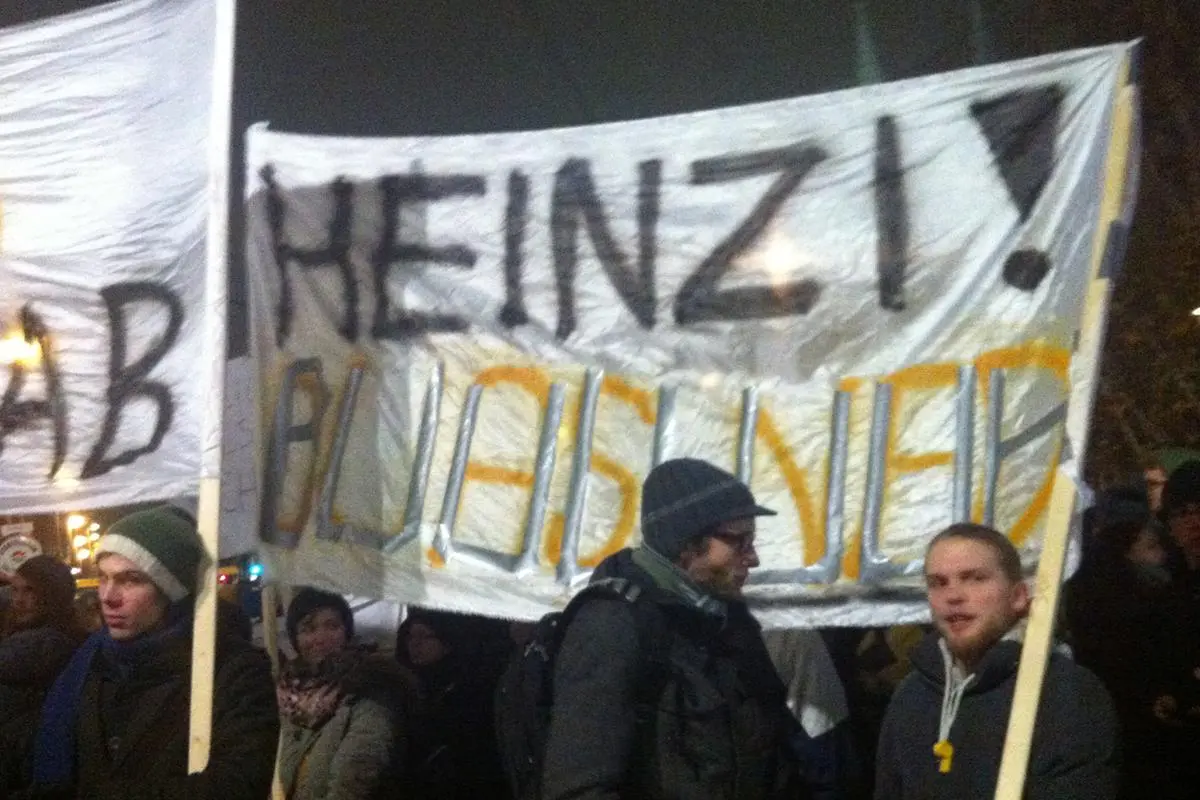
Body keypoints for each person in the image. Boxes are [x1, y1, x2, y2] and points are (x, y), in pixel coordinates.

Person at [540, 457, 805, 799]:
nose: (752, 558)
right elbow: (578, 788)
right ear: (686, 543)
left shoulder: (728, 618)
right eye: (739, 542)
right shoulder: (612, 626)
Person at [15, 506, 279, 800]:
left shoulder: (231, 670)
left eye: (131, 580)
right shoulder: (89, 664)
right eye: (103, 577)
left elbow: (240, 783)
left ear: (172, 589)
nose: (107, 597)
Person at [874, 523, 1118, 800]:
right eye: (938, 583)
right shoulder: (911, 695)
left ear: (1017, 596)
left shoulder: (1066, 692)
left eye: (974, 578)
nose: (953, 595)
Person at [1066, 516, 1200, 800]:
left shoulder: (1170, 597)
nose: (1162, 556)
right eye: (1150, 547)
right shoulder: (1130, 615)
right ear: (1122, 555)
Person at [278, 588, 418, 800]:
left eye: (332, 626)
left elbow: (358, 769)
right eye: (308, 628)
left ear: (346, 631)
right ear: (295, 638)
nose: (320, 638)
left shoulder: (371, 685)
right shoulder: (290, 694)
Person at [396, 607, 509, 799]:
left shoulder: (467, 692)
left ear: (446, 642)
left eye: (424, 636)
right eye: (410, 636)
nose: (414, 644)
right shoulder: (400, 686)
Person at [0, 557, 87, 729]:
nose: (18, 600)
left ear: (54, 593)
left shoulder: (45, 643)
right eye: (15, 590)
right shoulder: (66, 634)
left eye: (30, 590)